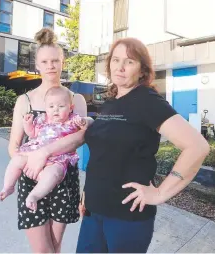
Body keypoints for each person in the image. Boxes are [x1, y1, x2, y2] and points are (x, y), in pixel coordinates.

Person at [76, 38, 210, 253]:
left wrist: (160, 193)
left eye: (129, 62)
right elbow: (104, 153)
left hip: (126, 217)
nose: (120, 67)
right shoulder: (111, 101)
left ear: (142, 70)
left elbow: (197, 146)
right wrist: (87, 193)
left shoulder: (148, 101)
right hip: (93, 210)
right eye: (116, 60)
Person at [7, 28, 87, 253]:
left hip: (63, 177)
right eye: (45, 61)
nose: (51, 65)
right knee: (42, 250)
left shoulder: (75, 99)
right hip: (32, 178)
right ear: (37, 65)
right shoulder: (25, 101)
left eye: (55, 60)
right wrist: (32, 164)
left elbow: (79, 137)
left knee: (55, 245)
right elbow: (14, 146)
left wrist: (45, 154)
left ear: (63, 63)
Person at [0, 86, 93, 212]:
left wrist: (85, 121)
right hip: (35, 152)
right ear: (46, 107)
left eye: (61, 106)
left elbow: (90, 123)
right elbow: (33, 134)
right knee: (16, 160)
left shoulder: (72, 119)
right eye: (51, 106)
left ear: (70, 108)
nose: (56, 110)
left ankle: (34, 196)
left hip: (57, 158)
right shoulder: (43, 119)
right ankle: (8, 186)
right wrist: (27, 125)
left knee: (54, 173)